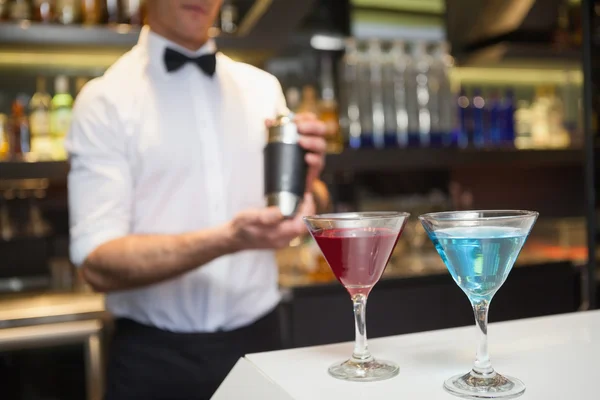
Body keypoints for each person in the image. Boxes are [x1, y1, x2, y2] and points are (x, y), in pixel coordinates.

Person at [65, 1, 328, 399]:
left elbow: (308, 202)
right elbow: (97, 263)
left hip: (261, 341)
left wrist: (306, 185)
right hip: (154, 359)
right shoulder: (105, 101)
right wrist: (229, 238)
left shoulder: (263, 89)